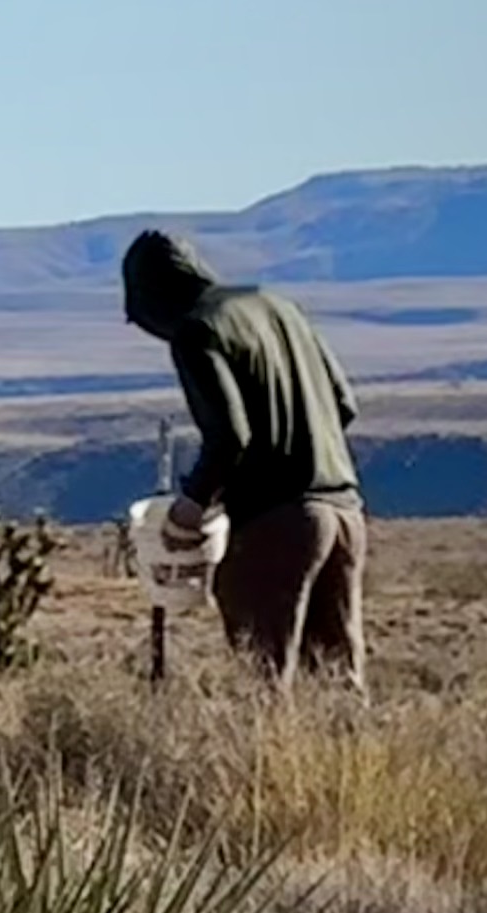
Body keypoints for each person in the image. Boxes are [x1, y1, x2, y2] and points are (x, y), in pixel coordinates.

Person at [121, 226, 366, 687]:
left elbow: (231, 436)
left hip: (277, 520)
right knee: (337, 676)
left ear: (153, 297)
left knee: (265, 677)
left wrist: (190, 508)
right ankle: (355, 759)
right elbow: (344, 405)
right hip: (345, 512)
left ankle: (270, 760)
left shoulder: (198, 330)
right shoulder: (281, 308)